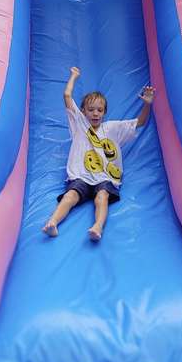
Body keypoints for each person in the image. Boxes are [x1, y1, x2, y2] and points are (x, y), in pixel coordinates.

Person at [42, 66, 155, 242]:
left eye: (99, 110)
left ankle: (97, 226)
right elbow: (67, 96)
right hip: (81, 175)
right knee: (70, 196)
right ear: (83, 111)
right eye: (91, 109)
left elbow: (139, 122)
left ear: (104, 112)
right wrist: (74, 76)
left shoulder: (112, 128)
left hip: (104, 177)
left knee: (102, 196)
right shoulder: (79, 124)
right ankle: (52, 222)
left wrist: (147, 104)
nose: (95, 113)